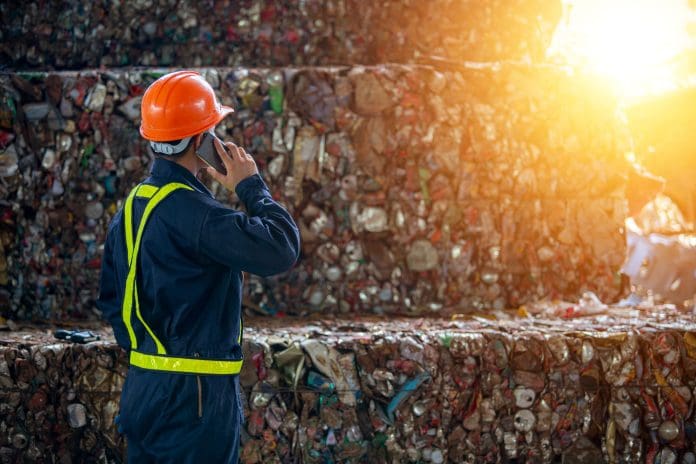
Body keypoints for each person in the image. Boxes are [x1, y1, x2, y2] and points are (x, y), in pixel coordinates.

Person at [97, 70, 300, 463]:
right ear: (200, 140)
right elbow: (282, 247)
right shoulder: (199, 215)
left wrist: (154, 356)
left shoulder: (132, 207)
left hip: (143, 388)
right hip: (197, 399)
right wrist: (250, 185)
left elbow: (111, 299)